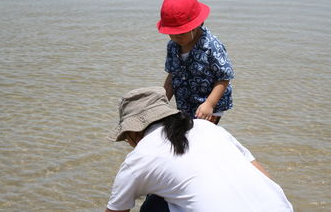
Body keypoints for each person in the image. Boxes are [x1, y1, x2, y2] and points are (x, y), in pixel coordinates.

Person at [105, 86, 293, 212]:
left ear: (132, 132)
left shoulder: (139, 157)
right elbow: (264, 178)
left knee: (154, 204)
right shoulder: (209, 128)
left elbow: (116, 210)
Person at [157, 0, 234, 124]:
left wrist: (209, 104)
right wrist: (161, 102)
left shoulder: (211, 46)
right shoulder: (173, 46)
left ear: (197, 24)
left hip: (210, 103)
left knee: (202, 136)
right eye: (172, 34)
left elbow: (224, 77)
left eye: (181, 34)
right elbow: (172, 76)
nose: (175, 38)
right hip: (185, 102)